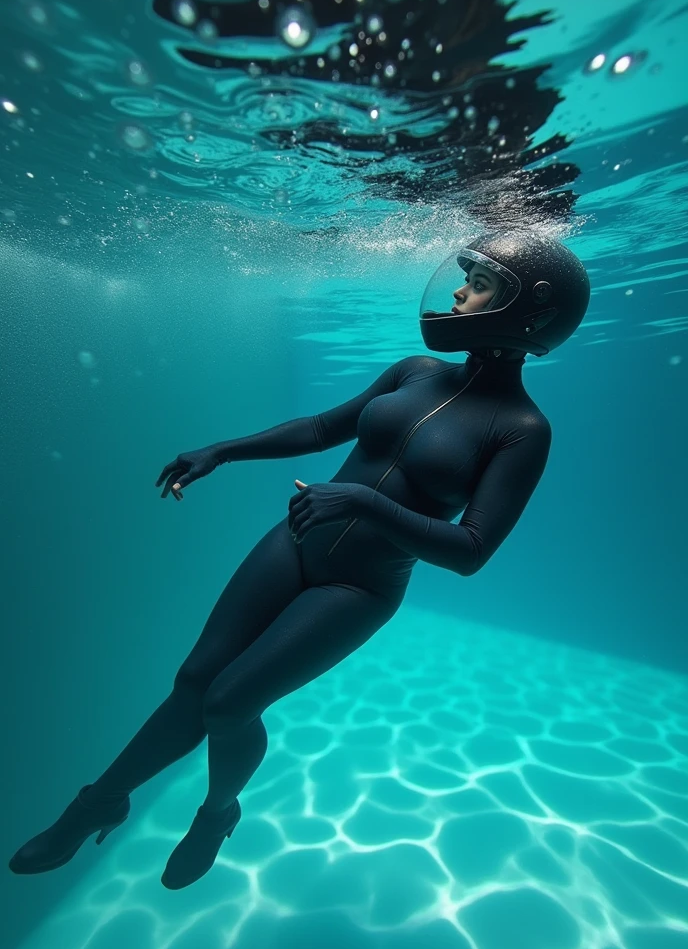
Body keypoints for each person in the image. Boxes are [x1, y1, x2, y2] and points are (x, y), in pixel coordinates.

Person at [9, 230, 590, 890]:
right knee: (196, 679)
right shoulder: (413, 372)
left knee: (229, 704)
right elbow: (320, 429)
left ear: (534, 315)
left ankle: (217, 810)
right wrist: (221, 451)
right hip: (295, 539)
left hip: (361, 586)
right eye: (465, 277)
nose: (459, 291)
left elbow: (472, 552)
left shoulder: (523, 430)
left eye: (480, 285)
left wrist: (364, 506)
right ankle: (98, 802)